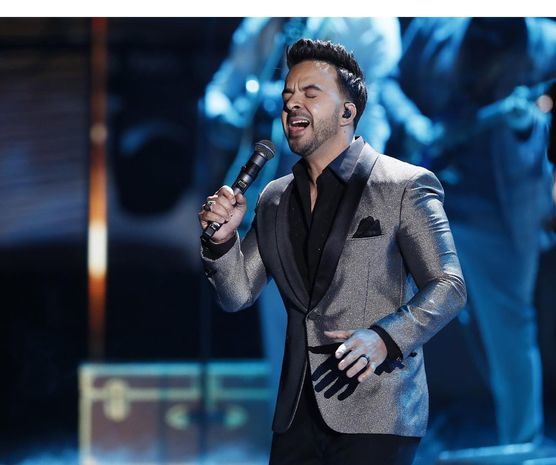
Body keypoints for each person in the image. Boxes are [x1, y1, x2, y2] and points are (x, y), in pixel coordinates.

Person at [198, 39, 466, 465]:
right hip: (294, 416)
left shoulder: (403, 185)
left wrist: (385, 338)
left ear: (348, 112)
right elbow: (236, 295)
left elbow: (449, 285)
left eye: (310, 93)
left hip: (376, 410)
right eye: (287, 95)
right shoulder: (273, 198)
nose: (291, 104)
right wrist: (221, 242)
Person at [201, 18, 402, 413]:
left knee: (347, 327)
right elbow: (223, 87)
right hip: (280, 202)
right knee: (283, 334)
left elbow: (376, 100)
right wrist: (226, 113)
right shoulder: (265, 22)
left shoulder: (368, 17)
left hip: (348, 198)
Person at [381, 18, 556, 446]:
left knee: (511, 333)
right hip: (421, 203)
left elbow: (543, 129)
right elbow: (389, 83)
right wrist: (415, 124)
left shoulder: (545, 43)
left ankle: (523, 446)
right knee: (384, 323)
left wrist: (525, 127)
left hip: (500, 213)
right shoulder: (434, 25)